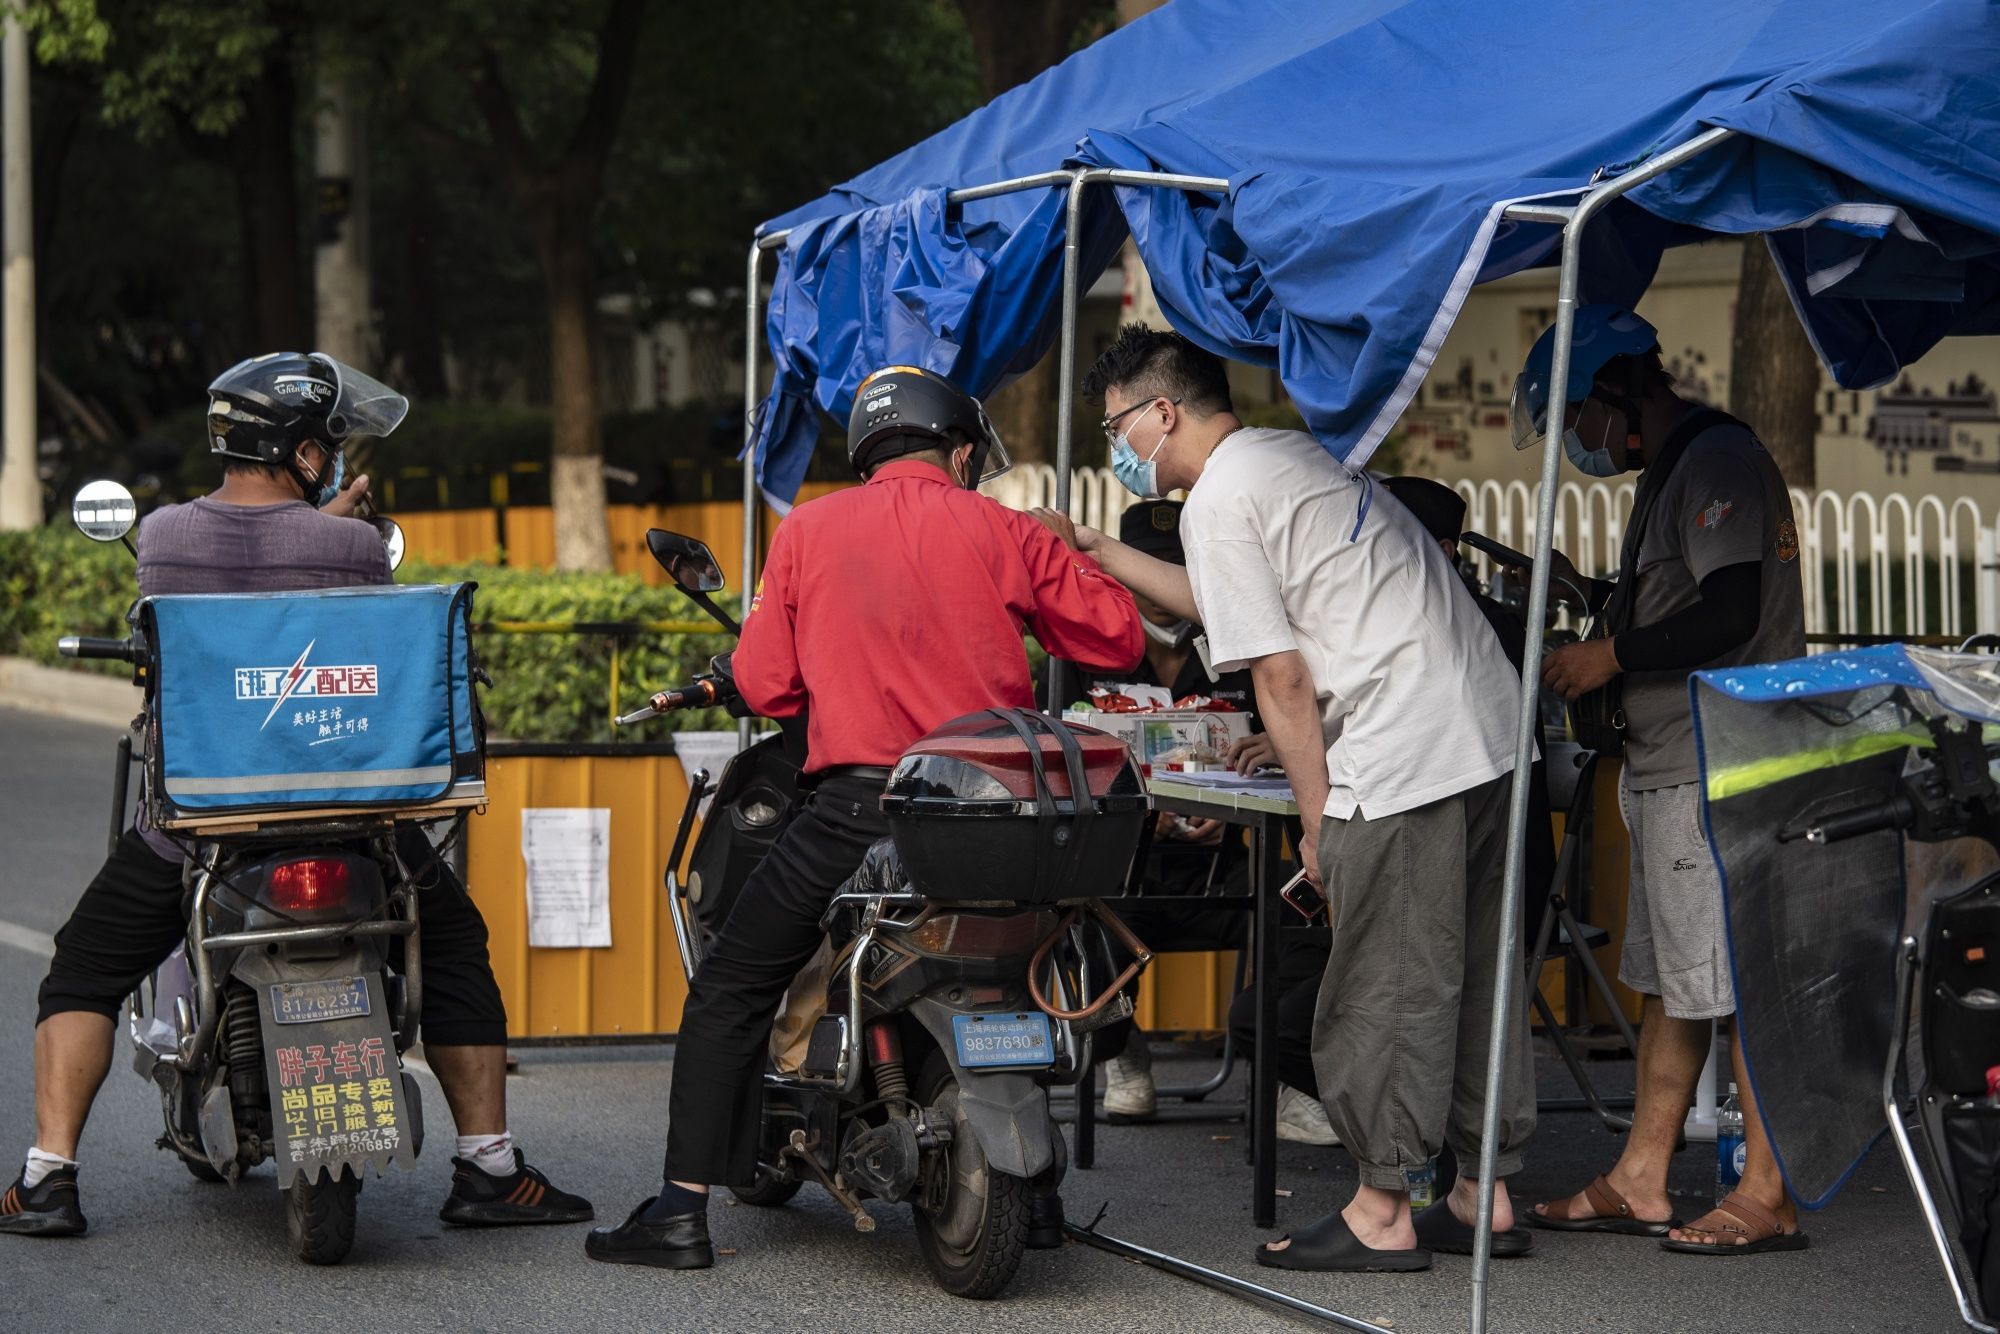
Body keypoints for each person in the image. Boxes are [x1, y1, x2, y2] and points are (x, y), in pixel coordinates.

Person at [2, 352, 591, 1237]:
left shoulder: (161, 535)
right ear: (306, 452)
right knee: (458, 946)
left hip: (203, 828)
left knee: (83, 971)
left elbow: (226, 578)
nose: (334, 458)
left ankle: (49, 1178)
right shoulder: (351, 544)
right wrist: (342, 532)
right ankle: (489, 1166)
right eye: (328, 445)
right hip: (356, 828)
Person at [587, 365, 1144, 1270]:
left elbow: (766, 684)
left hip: (858, 811)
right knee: (1033, 951)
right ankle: (1036, 1199)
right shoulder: (1002, 527)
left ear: (868, 452)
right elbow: (1117, 638)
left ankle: (679, 1213)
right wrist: (1063, 550)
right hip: (995, 815)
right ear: (960, 450)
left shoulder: (807, 530)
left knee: (730, 988)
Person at [1035, 325, 1536, 1273]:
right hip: (1482, 726)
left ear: (1162, 413)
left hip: (1404, 749)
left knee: (1385, 986)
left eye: (1116, 428)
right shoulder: (1282, 456)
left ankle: (1384, 1209)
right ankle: (1483, 1194)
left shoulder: (1220, 500)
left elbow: (1281, 674)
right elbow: (1219, 600)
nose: (1116, 449)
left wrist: (1317, 820)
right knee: (1473, 970)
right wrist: (1099, 546)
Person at [1514, 305, 1808, 1255]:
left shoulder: (1718, 462)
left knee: (1737, 982)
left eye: (1574, 421)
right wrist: (1599, 603)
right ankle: (1641, 1178)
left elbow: (1728, 612)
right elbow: (1684, 590)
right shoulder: (1679, 471)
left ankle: (1766, 1191)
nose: (1577, 445)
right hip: (1671, 764)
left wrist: (1610, 655)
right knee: (1674, 984)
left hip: (1717, 763)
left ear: (1616, 394)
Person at [1082, 500, 1337, 1147]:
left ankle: (1288, 1079)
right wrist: (1144, 820)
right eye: (1152, 572)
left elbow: (1299, 743)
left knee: (1306, 910)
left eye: (1179, 568)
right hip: (1130, 875)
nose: (1165, 588)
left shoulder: (1242, 651)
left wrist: (1241, 807)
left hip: (1231, 867)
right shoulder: (1093, 651)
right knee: (1073, 924)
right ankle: (1122, 1049)